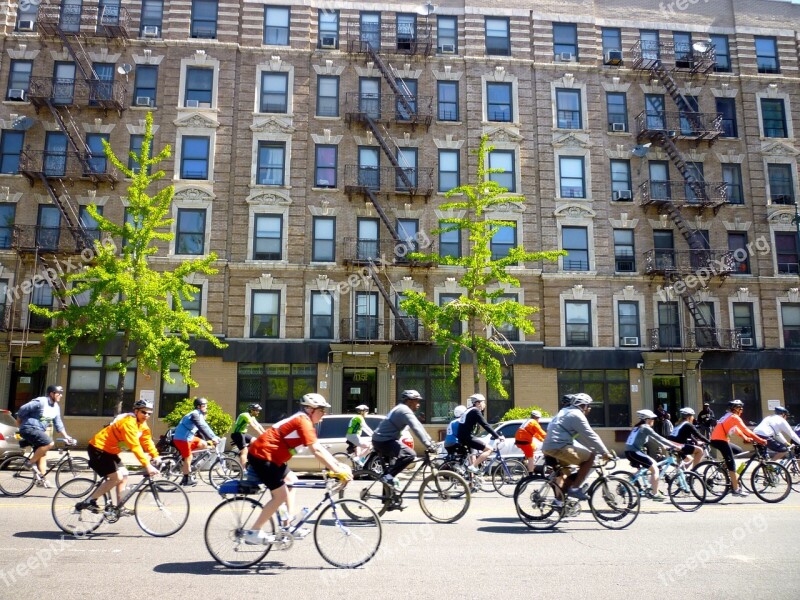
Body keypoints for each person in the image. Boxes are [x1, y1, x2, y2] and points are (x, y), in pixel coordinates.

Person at [241, 393, 351, 545]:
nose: (323, 415)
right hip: (264, 456)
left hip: (274, 458)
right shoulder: (302, 421)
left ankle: (288, 526)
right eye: (321, 411)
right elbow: (316, 451)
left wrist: (337, 465)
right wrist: (337, 471)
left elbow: (318, 447)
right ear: (310, 410)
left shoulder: (305, 421)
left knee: (292, 481)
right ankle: (254, 531)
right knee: (280, 495)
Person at [76, 399, 161, 514]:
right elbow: (135, 446)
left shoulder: (142, 425)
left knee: (124, 475)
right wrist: (147, 465)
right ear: (136, 411)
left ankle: (120, 507)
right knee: (116, 477)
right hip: (98, 449)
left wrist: (155, 455)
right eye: (143, 412)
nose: (146, 415)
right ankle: (90, 501)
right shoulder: (128, 423)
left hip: (110, 452)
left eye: (149, 413)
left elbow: (147, 440)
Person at [541, 393, 613, 501]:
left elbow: (581, 437)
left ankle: (559, 502)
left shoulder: (564, 412)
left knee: (570, 476)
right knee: (590, 458)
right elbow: (590, 435)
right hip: (559, 447)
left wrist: (589, 448)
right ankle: (575, 489)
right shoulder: (577, 415)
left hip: (550, 447)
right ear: (582, 405)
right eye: (588, 405)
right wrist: (604, 452)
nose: (589, 408)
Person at [371, 389, 438, 490]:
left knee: (391, 471)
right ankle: (387, 478)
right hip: (384, 441)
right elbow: (415, 428)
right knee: (410, 454)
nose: (418, 404)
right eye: (417, 401)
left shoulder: (402, 409)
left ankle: (389, 502)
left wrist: (430, 441)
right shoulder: (404, 411)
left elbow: (419, 426)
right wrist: (427, 444)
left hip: (382, 440)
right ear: (410, 401)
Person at [16, 385, 75, 487]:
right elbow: (22, 409)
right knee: (49, 443)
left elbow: (58, 423)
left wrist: (66, 436)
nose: (60, 395)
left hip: (38, 431)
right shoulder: (41, 402)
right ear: (51, 394)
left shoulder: (56, 407)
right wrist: (19, 425)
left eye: (61, 393)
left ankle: (41, 480)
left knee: (43, 454)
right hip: (29, 428)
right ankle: (30, 463)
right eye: (58, 393)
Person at [709, 399, 767, 497]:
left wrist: (745, 438)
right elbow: (746, 429)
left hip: (719, 440)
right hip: (719, 441)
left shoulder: (728, 416)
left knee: (738, 450)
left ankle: (724, 468)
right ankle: (735, 489)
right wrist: (760, 440)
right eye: (740, 408)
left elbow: (736, 429)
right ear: (735, 409)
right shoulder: (734, 417)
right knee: (732, 464)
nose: (742, 410)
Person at [625, 409, 683, 501]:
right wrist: (674, 446)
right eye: (652, 418)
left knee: (647, 467)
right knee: (655, 469)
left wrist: (664, 446)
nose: (654, 420)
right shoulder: (645, 427)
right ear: (647, 419)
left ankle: (626, 483)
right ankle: (655, 493)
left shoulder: (639, 427)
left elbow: (653, 438)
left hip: (630, 452)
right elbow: (659, 437)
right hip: (634, 452)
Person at [172, 397, 220, 487]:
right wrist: (212, 438)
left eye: (206, 405)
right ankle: (186, 479)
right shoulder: (195, 414)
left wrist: (214, 437)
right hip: (182, 438)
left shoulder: (199, 415)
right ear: (199, 406)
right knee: (188, 456)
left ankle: (188, 461)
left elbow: (206, 427)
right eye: (204, 405)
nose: (206, 407)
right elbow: (201, 427)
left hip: (189, 437)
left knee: (204, 444)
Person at [456, 393, 504, 473]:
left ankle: (472, 482)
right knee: (489, 449)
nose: (484, 404)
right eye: (483, 402)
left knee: (473, 457)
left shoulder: (469, 410)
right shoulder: (475, 411)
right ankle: (473, 467)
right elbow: (485, 425)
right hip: (467, 437)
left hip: (463, 436)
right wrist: (497, 436)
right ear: (478, 403)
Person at [515, 410, 547, 474]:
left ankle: (525, 460)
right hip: (524, 441)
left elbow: (535, 434)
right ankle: (530, 474)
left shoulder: (528, 421)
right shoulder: (534, 423)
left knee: (534, 447)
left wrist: (542, 440)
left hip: (519, 440)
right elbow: (541, 433)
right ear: (537, 417)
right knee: (531, 458)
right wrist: (549, 439)